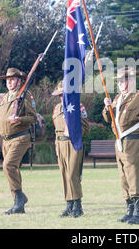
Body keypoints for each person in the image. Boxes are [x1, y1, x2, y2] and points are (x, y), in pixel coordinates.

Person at [102, 67, 139, 224]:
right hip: (120, 142)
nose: (120, 84)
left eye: (123, 80)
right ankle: (130, 209)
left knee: (134, 175)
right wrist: (107, 107)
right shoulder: (118, 99)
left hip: (134, 141)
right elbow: (109, 118)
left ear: (131, 81)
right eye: (119, 81)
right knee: (124, 177)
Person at [0, 68, 37, 215]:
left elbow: (33, 117)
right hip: (6, 141)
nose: (9, 82)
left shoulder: (25, 96)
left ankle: (19, 197)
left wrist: (20, 119)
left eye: (12, 79)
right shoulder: (4, 98)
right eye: (7, 80)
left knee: (8, 165)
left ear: (19, 81)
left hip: (20, 137)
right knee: (12, 170)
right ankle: (18, 205)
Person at [51, 81, 90, 217]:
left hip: (73, 144)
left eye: (64, 94)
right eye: (60, 95)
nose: (62, 97)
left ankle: (78, 205)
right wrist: (57, 145)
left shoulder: (78, 106)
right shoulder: (57, 108)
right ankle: (69, 204)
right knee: (64, 175)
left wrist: (73, 131)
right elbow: (56, 129)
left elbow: (85, 128)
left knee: (73, 174)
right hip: (60, 144)